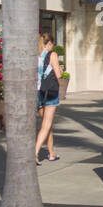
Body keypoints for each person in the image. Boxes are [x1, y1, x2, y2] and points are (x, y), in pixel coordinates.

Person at [35, 33, 62, 164]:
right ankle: (35, 153)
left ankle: (51, 153)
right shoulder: (52, 55)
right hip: (50, 92)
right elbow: (58, 74)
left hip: (37, 92)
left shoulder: (36, 55)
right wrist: (61, 70)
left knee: (47, 124)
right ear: (49, 43)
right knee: (46, 125)